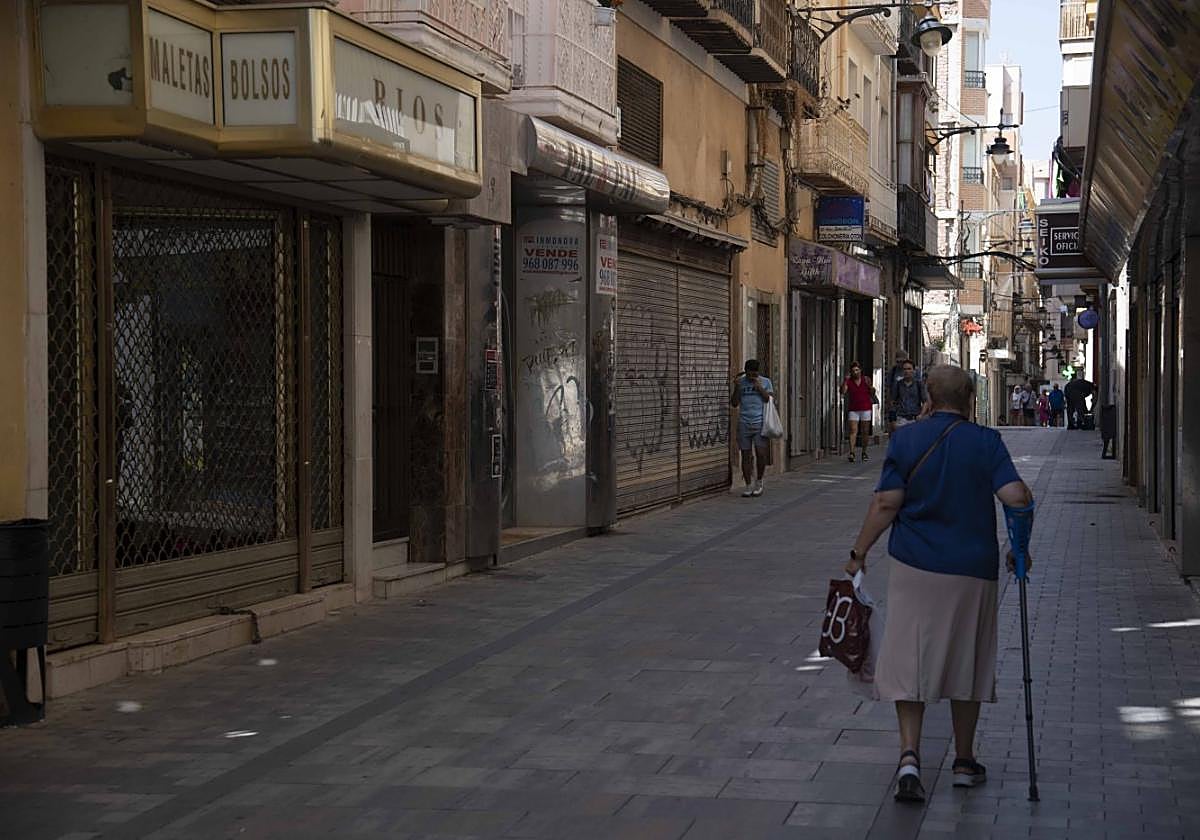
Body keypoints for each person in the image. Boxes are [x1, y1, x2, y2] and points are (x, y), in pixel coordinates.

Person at [845, 365, 1034, 803]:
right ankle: (964, 761)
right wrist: (1019, 547)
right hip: (972, 568)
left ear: (927, 396)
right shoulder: (986, 442)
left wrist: (859, 553)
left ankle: (910, 758)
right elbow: (1017, 497)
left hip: (915, 565)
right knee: (965, 657)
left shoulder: (906, 439)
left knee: (909, 659)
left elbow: (886, 502)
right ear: (970, 399)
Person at [730, 359, 774, 497]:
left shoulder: (765, 381)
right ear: (746, 371)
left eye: (754, 374)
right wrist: (737, 387)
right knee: (746, 454)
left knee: (761, 453)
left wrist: (759, 386)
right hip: (744, 422)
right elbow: (734, 403)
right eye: (749, 374)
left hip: (760, 422)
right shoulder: (741, 383)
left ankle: (759, 481)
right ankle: (748, 485)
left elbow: (768, 399)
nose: (751, 377)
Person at [841, 361, 876, 463]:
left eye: (857, 370)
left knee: (865, 432)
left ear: (860, 370)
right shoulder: (849, 381)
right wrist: (845, 380)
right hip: (853, 409)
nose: (855, 372)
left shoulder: (866, 379)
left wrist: (872, 389)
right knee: (853, 430)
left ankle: (864, 452)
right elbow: (843, 392)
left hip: (865, 408)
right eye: (853, 371)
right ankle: (852, 452)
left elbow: (872, 392)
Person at [891, 360, 930, 428]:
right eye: (904, 369)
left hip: (915, 419)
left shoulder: (919, 384)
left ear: (914, 370)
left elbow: (925, 401)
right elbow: (893, 402)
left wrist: (921, 415)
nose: (906, 371)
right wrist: (893, 420)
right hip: (901, 419)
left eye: (909, 369)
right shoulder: (898, 384)